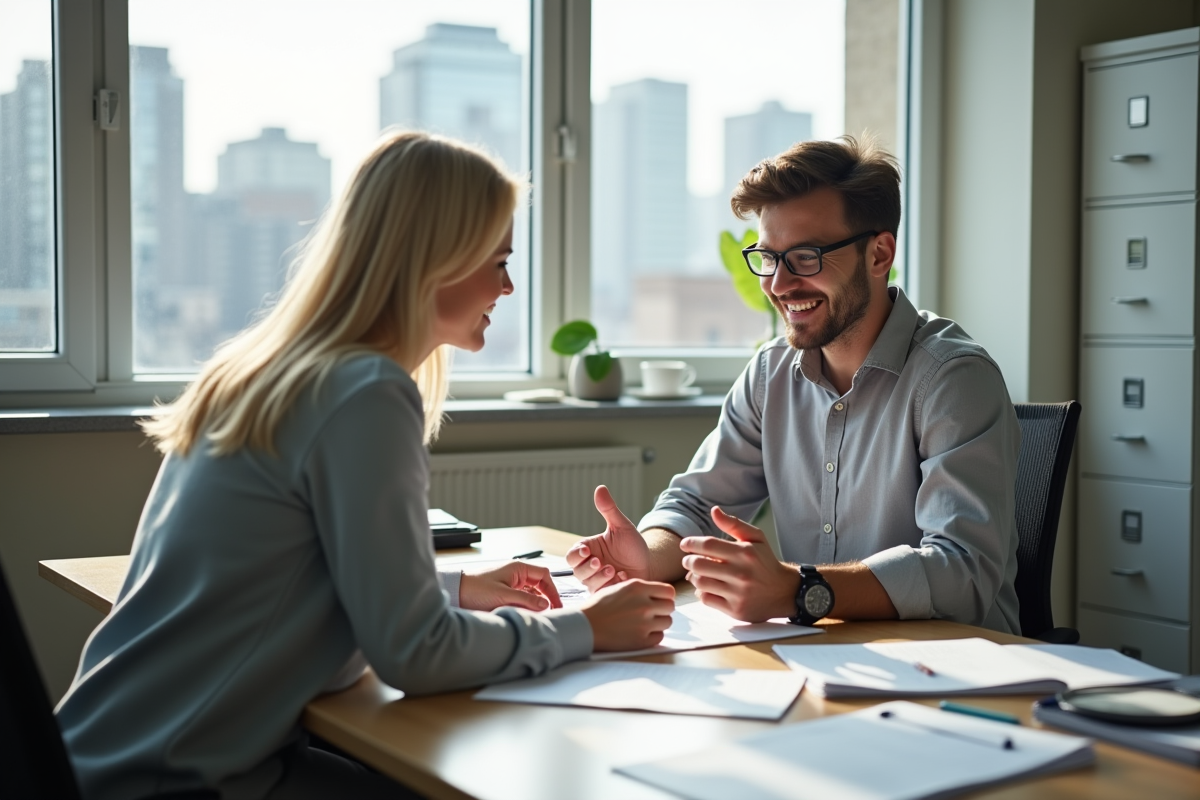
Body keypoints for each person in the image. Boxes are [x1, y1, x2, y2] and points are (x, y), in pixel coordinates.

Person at [55, 131, 675, 800]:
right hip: (179, 780)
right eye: (497, 260)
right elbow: (415, 655)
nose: (508, 284)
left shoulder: (261, 371)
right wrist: (586, 627)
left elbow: (291, 578)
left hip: (104, 754)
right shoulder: (364, 393)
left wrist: (452, 589)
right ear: (434, 259)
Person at [567, 136, 1021, 635]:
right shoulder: (770, 373)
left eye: (805, 257)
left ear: (879, 254)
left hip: (958, 669)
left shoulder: (952, 378)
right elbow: (697, 505)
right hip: (823, 656)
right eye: (768, 257)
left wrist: (798, 589)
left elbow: (963, 572)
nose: (779, 286)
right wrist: (648, 559)